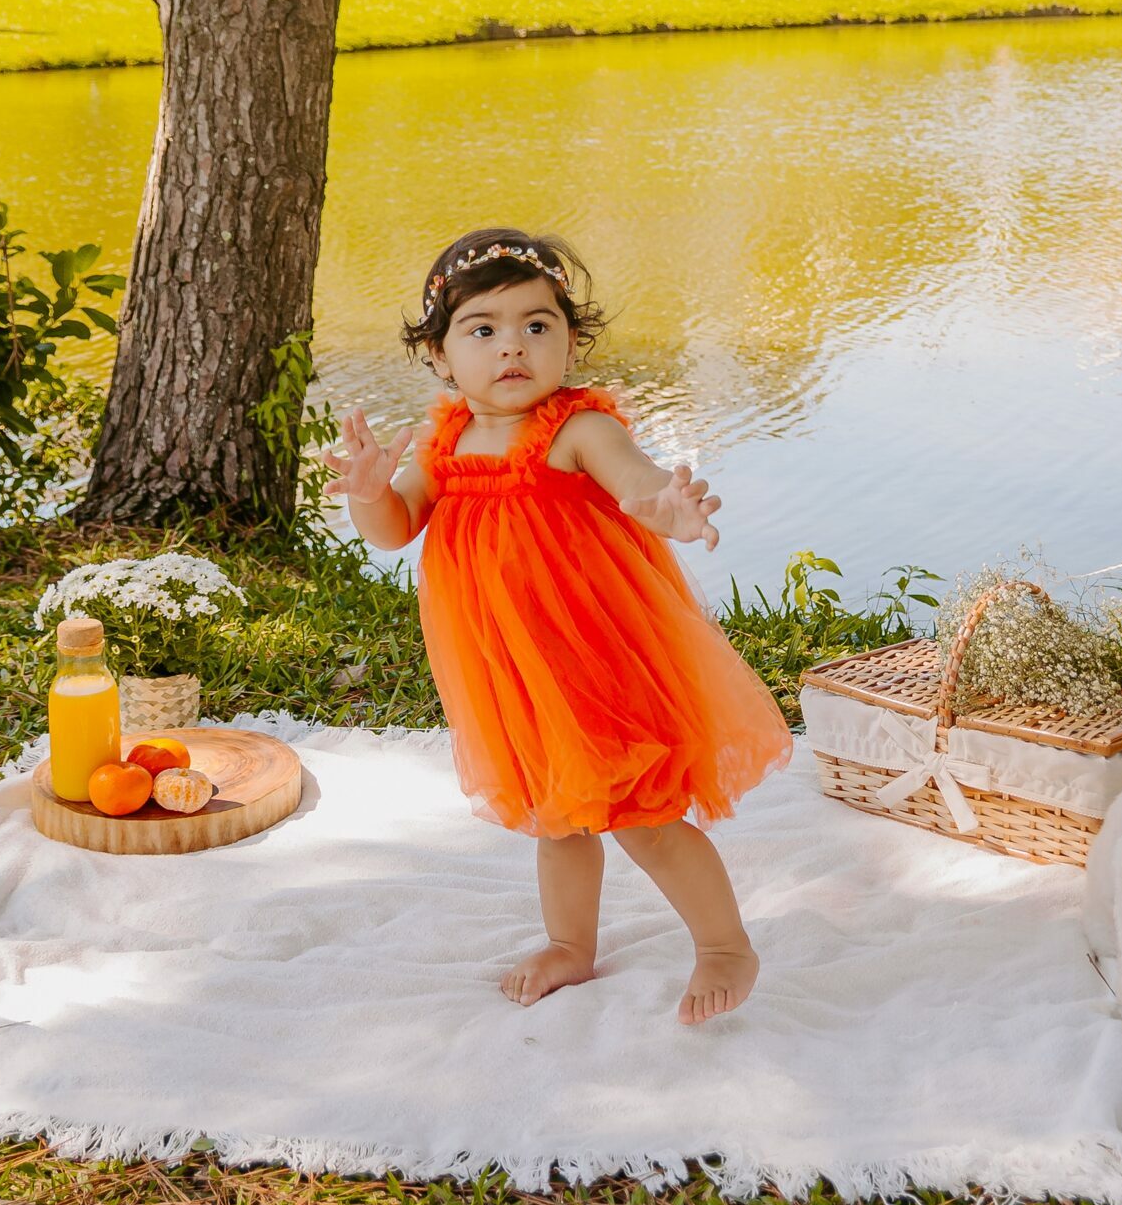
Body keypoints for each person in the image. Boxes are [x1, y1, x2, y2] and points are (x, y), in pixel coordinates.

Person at [320, 228, 793, 1025]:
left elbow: (637, 482)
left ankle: (724, 944)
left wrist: (668, 507)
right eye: (483, 329)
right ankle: (570, 944)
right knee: (556, 812)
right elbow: (395, 528)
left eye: (537, 325)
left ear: (571, 343)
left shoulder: (578, 429)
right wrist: (370, 492)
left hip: (599, 655)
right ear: (440, 356)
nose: (513, 345)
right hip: (512, 669)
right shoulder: (443, 443)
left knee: (642, 815)